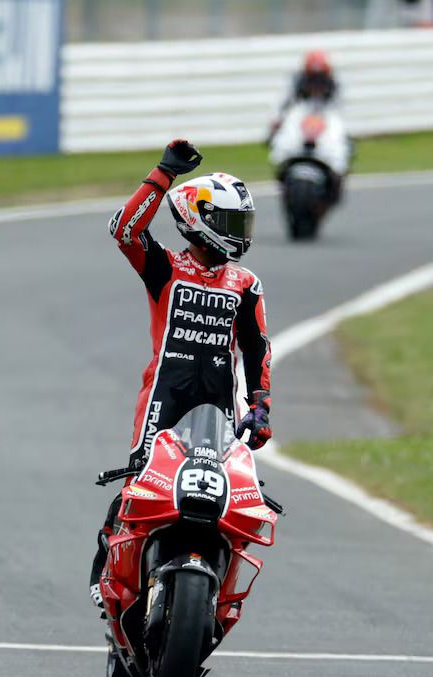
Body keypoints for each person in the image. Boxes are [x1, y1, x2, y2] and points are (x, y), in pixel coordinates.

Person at [89, 139, 273, 607]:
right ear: (200, 220)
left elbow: (257, 349)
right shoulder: (166, 268)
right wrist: (163, 173)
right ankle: (108, 575)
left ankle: (215, 595)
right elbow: (125, 231)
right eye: (231, 222)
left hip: (218, 411)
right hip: (162, 402)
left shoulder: (246, 284)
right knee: (137, 490)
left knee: (223, 500)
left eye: (243, 223)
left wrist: (260, 406)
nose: (241, 234)